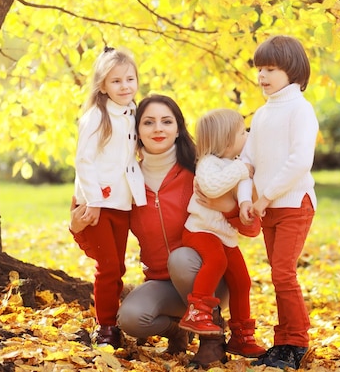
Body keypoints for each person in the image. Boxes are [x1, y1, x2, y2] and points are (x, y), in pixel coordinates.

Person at [70, 95, 244, 367]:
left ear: (178, 128)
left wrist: (228, 206)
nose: (158, 129)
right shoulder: (128, 182)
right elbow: (104, 249)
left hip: (209, 278)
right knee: (130, 319)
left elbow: (248, 225)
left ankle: (213, 337)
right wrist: (77, 228)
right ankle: (177, 330)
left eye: (166, 121)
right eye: (148, 122)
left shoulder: (201, 171)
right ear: (136, 132)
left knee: (181, 258)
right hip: (162, 284)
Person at [237, 35, 318, 370]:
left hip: (294, 203)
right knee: (277, 274)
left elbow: (300, 161)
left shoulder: (300, 109)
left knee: (283, 273)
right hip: (265, 207)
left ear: (292, 70)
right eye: (259, 69)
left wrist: (266, 196)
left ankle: (297, 343)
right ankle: (282, 343)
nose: (262, 76)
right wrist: (245, 197)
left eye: (270, 68)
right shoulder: (263, 113)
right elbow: (247, 160)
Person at [70, 46, 147, 348]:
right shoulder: (96, 116)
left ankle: (113, 320)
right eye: (116, 81)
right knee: (108, 267)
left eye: (130, 79)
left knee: (119, 266)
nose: (125, 86)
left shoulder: (133, 113)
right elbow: (83, 161)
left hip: (123, 202)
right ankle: (106, 328)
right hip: (98, 203)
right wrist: (93, 202)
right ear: (102, 85)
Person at [179, 108, 266, 358]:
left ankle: (241, 336)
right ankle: (197, 312)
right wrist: (242, 171)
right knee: (216, 260)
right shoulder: (208, 164)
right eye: (242, 132)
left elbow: (244, 194)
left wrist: (245, 205)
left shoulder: (237, 165)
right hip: (200, 229)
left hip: (225, 234)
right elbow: (212, 187)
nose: (247, 135)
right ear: (227, 141)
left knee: (242, 281)